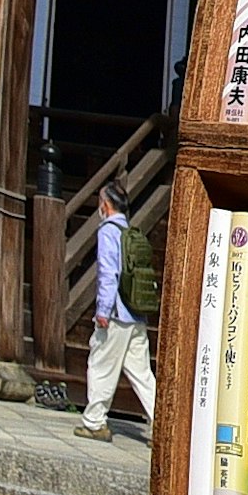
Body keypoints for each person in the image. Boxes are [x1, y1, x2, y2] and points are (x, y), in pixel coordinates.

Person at [77, 185, 157, 437]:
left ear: (105, 205)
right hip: (136, 314)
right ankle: (164, 426)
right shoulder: (130, 231)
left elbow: (108, 274)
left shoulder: (109, 232)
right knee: (142, 373)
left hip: (116, 314)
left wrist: (103, 310)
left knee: (101, 365)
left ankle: (94, 423)